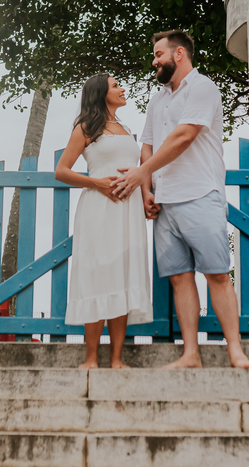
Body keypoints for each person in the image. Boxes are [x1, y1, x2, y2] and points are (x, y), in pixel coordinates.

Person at [114, 30, 249, 370]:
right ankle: (190, 354)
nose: (155, 60)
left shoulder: (203, 87)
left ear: (179, 54)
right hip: (164, 203)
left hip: (200, 193)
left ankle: (235, 351)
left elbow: (184, 136)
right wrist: (147, 188)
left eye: (159, 54)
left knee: (217, 274)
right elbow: (147, 144)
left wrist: (140, 173)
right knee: (180, 277)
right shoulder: (157, 98)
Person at [55, 74, 153, 370]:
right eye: (115, 86)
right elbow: (61, 171)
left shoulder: (125, 128)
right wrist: (98, 183)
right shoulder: (86, 128)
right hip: (99, 207)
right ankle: (90, 358)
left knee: (122, 275)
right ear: (101, 93)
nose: (122, 89)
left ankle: (118, 358)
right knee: (97, 275)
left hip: (129, 209)